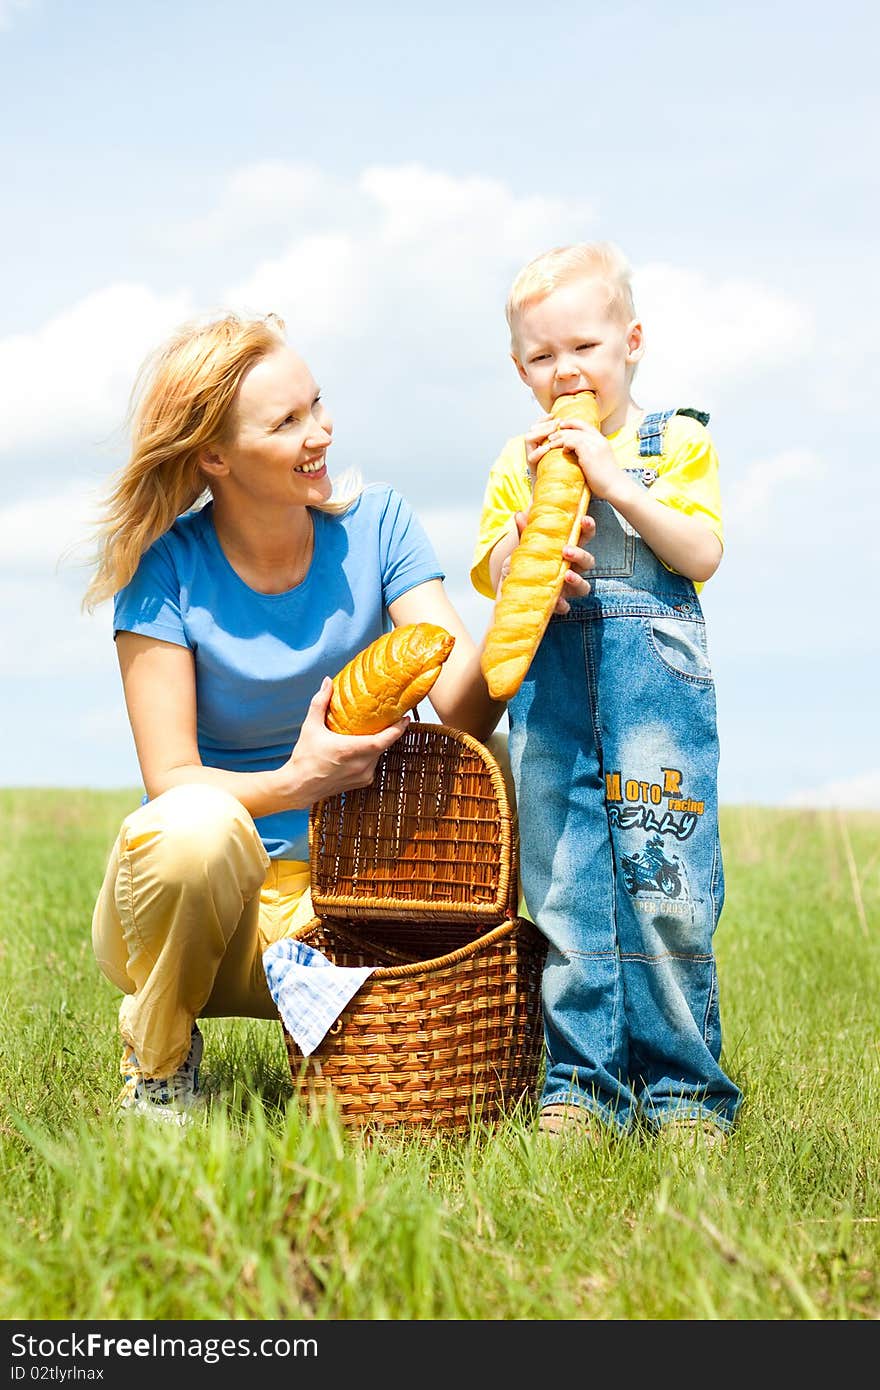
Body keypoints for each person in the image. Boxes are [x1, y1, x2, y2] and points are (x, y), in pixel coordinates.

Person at [84, 309, 594, 1124]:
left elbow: (462, 705)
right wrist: (302, 779)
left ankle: (512, 1037)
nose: (321, 432)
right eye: (287, 423)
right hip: (210, 921)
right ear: (215, 456)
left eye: (316, 405)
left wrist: (519, 589)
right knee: (195, 828)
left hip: (349, 915)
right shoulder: (163, 571)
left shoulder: (378, 524)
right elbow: (169, 779)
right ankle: (160, 1064)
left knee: (498, 758)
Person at [471, 242, 743, 1146]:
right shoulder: (519, 458)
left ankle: (684, 1090)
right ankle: (582, 1085)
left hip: (653, 702)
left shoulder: (675, 443)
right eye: (542, 358)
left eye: (583, 348)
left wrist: (611, 480)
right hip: (554, 706)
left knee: (665, 889)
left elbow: (699, 554)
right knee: (565, 890)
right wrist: (522, 544)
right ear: (520, 369)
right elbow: (491, 574)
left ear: (630, 343)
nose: (566, 372)